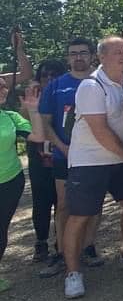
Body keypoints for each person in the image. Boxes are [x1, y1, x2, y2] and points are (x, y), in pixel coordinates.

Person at [62, 36, 123, 299]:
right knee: (80, 216)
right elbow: (100, 131)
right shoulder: (91, 86)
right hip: (89, 161)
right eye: (118, 51)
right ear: (101, 57)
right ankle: (72, 273)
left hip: (121, 158)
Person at [38, 38, 104, 278]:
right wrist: (62, 147)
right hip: (64, 154)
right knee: (64, 204)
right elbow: (45, 123)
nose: (78, 57)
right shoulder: (56, 86)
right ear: (67, 57)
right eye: (73, 53)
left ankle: (88, 246)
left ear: (92, 55)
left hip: (97, 154)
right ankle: (61, 251)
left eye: (83, 53)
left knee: (94, 203)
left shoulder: (101, 81)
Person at [0, 75, 45, 292]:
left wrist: (33, 109)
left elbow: (38, 136)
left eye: (3, 87)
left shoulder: (11, 117)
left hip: (9, 181)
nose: (2, 90)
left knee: (1, 227)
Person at [26, 59, 65, 262]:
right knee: (41, 201)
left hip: (61, 154)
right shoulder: (32, 99)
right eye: (44, 76)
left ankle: (61, 240)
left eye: (54, 75)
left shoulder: (66, 94)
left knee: (62, 200)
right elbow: (26, 120)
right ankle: (41, 242)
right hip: (39, 157)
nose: (49, 79)